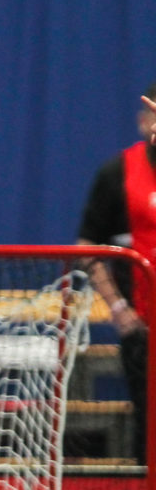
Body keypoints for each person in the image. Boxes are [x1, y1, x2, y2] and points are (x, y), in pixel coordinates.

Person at [76, 83, 156, 465]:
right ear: (143, 121)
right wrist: (118, 307)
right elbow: (86, 248)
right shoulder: (117, 174)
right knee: (150, 426)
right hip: (144, 328)